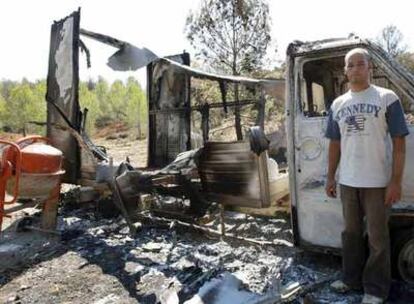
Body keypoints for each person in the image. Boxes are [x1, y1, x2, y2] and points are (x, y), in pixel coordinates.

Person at [325, 48, 409, 304]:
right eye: (350, 65)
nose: (355, 69)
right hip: (348, 181)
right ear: (345, 71)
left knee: (377, 238)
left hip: (376, 183)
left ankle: (375, 289)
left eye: (360, 64)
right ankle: (350, 279)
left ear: (369, 67)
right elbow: (335, 144)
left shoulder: (387, 98)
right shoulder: (338, 104)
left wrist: (395, 181)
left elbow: (399, 143)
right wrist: (330, 177)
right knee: (350, 234)